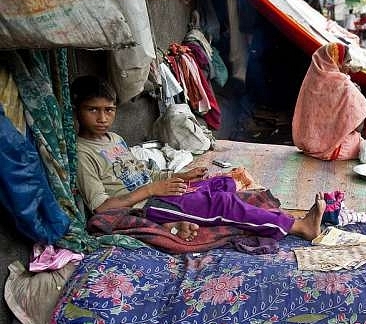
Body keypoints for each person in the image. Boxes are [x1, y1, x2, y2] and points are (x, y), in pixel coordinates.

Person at [73, 75, 325, 242]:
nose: (102, 118)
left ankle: (268, 214)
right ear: (77, 109)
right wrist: (153, 189)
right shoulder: (82, 152)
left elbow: (143, 174)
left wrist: (177, 177)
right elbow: (101, 208)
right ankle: (298, 227)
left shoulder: (115, 140)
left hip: (156, 191)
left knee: (222, 183)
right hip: (146, 206)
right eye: (92, 110)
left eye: (109, 110)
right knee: (223, 204)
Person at [292, 42, 366, 160]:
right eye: (347, 61)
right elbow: (358, 127)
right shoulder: (345, 86)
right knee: (360, 140)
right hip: (335, 150)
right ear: (336, 63)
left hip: (309, 147)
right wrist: (357, 93)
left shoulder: (310, 82)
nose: (349, 66)